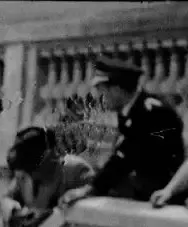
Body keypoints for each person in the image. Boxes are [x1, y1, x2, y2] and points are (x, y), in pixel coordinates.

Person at [62, 57, 186, 207]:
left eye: (101, 91)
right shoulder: (130, 111)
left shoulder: (152, 112)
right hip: (146, 197)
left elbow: (125, 156)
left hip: (165, 199)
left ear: (117, 89)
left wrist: (91, 188)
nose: (99, 98)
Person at [0, 127, 90, 227]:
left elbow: (92, 204)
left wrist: (51, 215)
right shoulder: (24, 174)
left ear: (49, 154)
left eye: (34, 166)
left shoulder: (76, 170)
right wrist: (16, 212)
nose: (31, 173)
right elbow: (7, 198)